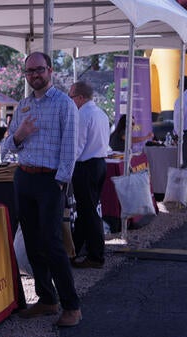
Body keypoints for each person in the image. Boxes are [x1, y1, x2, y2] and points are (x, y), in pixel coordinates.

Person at [0, 52, 81, 327]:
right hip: (24, 178)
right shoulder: (23, 105)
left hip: (49, 182)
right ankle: (48, 299)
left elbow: (71, 149)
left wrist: (60, 182)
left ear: (50, 70)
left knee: (52, 244)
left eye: (39, 70)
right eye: (29, 71)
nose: (34, 75)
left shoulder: (64, 105)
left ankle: (72, 306)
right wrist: (19, 135)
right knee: (32, 244)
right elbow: (5, 149)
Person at [68, 81, 110, 269]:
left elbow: (77, 146)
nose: (70, 101)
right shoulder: (100, 113)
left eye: (71, 97)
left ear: (80, 97)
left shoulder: (82, 114)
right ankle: (76, 249)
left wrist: (66, 167)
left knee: (89, 212)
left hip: (86, 166)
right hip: (99, 163)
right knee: (88, 211)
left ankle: (96, 255)